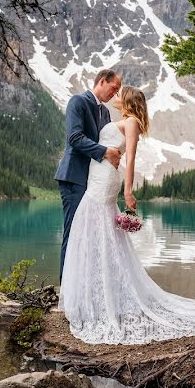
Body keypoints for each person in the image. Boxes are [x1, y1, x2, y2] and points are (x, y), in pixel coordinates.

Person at [59, 86, 195, 344]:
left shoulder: (131, 122)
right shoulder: (119, 120)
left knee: (97, 229)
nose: (117, 96)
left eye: (121, 94)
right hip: (97, 176)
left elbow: (131, 157)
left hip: (106, 181)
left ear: (129, 101)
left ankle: (104, 299)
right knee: (92, 231)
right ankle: (95, 294)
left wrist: (128, 191)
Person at [54, 69, 123, 282]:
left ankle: (84, 287)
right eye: (113, 89)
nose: (115, 94)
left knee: (90, 235)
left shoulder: (106, 113)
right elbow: (74, 137)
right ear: (102, 81)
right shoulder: (78, 102)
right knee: (73, 233)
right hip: (74, 177)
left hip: (94, 183)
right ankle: (66, 291)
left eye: (118, 91)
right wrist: (105, 152)